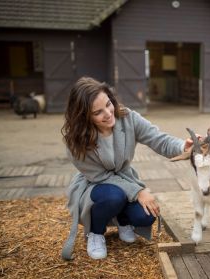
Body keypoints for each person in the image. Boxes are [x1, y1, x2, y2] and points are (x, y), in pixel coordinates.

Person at [61, 77, 192, 260]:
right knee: (113, 196)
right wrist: (139, 191)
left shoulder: (127, 118)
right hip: (95, 185)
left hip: (124, 180)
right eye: (98, 112)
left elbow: (158, 139)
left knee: (146, 216)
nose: (108, 113)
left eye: (108, 104)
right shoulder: (76, 141)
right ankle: (96, 233)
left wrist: (183, 147)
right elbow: (100, 177)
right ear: (84, 116)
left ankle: (124, 221)